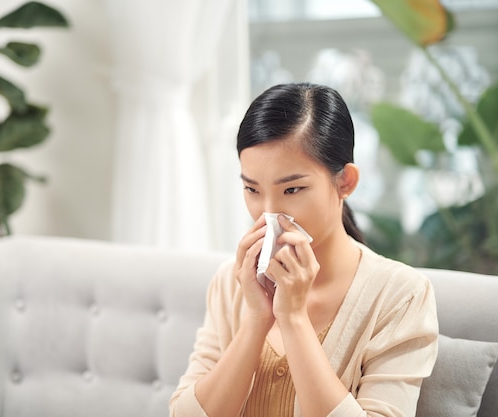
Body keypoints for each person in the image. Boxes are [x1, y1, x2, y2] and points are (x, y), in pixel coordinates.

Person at [169, 83, 438, 417]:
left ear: (346, 182)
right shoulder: (231, 283)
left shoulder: (401, 296)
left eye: (292, 189)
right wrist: (256, 320)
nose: (268, 213)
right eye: (252, 189)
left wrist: (293, 319)